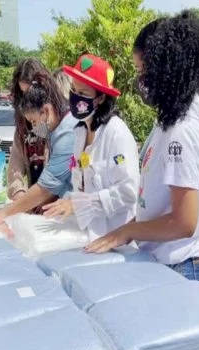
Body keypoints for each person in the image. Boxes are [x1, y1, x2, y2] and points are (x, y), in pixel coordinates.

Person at [85, 10, 199, 290]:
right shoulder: (168, 123)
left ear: (168, 69)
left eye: (144, 70)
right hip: (166, 264)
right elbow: (157, 203)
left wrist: (127, 230)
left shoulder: (181, 131)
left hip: (182, 269)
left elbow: (184, 223)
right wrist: (128, 230)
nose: (141, 81)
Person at [41, 54, 139, 241]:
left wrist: (79, 205)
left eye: (84, 94)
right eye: (73, 90)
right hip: (88, 235)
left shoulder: (116, 133)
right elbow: (82, 183)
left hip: (115, 240)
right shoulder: (80, 132)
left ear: (101, 98)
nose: (76, 97)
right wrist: (71, 201)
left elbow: (129, 191)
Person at [0, 69, 76, 227]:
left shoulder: (67, 132)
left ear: (46, 111)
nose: (34, 128)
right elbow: (16, 165)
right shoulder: (56, 130)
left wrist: (6, 213)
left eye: (34, 121)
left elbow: (48, 186)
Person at [7, 60, 72, 205]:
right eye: (23, 94)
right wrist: (18, 192)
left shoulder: (58, 122)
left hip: (57, 202)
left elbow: (52, 180)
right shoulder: (26, 123)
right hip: (35, 201)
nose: (29, 98)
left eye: (32, 90)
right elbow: (15, 164)